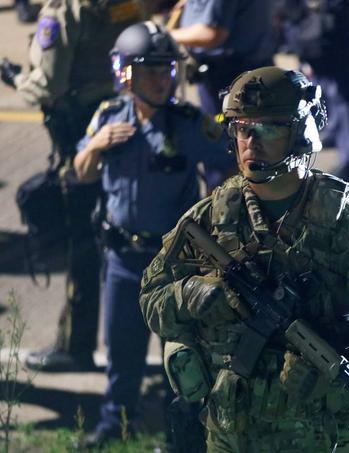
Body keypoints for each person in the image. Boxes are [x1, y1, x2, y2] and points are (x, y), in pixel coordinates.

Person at [139, 66, 349, 452]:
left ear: (299, 134)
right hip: (233, 435)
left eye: (268, 129)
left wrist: (336, 377)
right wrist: (192, 294)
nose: (250, 143)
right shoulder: (210, 219)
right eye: (243, 129)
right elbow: (152, 295)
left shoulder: (348, 226)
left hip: (326, 439)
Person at [72, 21, 232, 447]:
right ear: (126, 73)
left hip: (174, 264)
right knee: (121, 350)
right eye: (149, 71)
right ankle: (114, 424)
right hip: (123, 258)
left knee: (178, 353)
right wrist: (96, 145)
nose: (161, 80)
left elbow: (232, 162)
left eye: (166, 71)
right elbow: (80, 172)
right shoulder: (108, 117)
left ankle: (178, 432)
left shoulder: (188, 124)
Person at [0, 0, 148, 372]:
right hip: (123, 124)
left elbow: (49, 86)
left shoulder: (65, 11)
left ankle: (75, 345)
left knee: (82, 241)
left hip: (81, 137)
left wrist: (15, 77)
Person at [168, 0, 276, 190]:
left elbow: (212, 33)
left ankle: (228, 207)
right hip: (239, 74)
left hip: (229, 78)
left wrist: (167, 35)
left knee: (227, 150)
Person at [277, 0, 349, 183]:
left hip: (331, 22)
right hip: (309, 23)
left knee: (343, 89)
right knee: (320, 80)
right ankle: (335, 130)